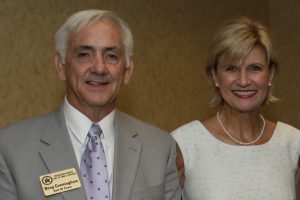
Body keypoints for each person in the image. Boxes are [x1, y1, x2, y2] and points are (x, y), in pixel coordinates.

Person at [0, 10, 181, 200]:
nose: (99, 68)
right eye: (84, 54)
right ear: (61, 67)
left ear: (127, 71)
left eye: (111, 56)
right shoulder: (9, 149)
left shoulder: (160, 148)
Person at [172, 16, 300, 200]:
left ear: (270, 74)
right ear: (215, 75)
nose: (243, 81)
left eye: (255, 68)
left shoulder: (294, 144)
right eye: (231, 68)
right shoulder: (184, 144)